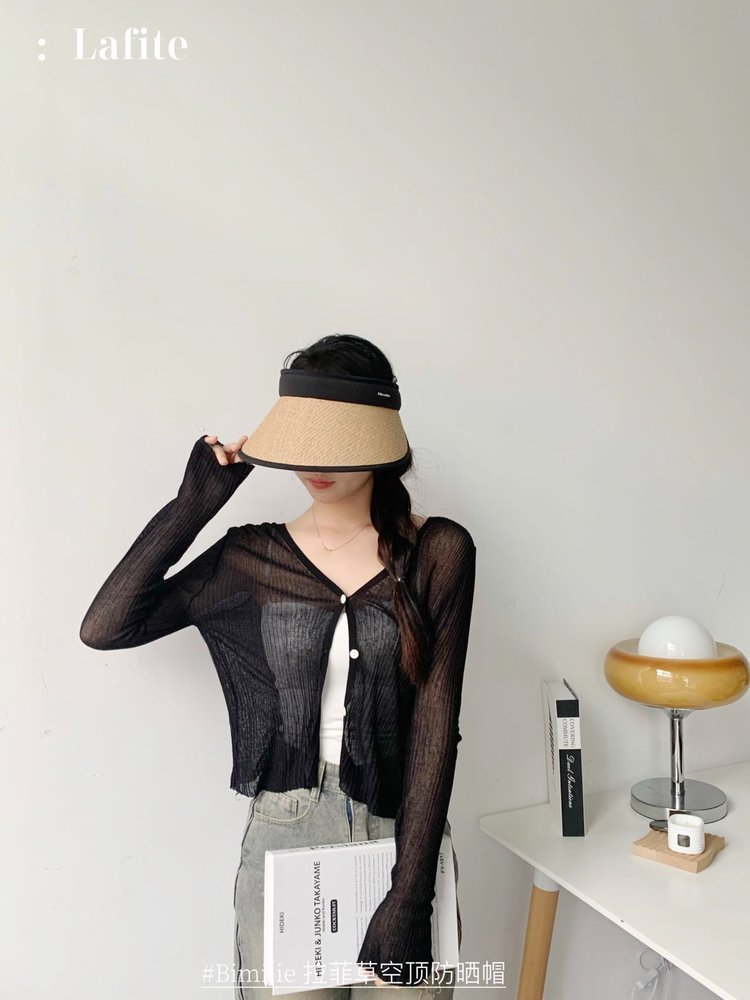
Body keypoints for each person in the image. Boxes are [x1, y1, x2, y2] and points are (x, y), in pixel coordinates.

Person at [79, 334, 477, 999]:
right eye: (304, 441)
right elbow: (106, 626)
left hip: (404, 837)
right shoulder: (251, 558)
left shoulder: (439, 550)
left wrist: (411, 899)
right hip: (287, 833)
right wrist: (191, 507)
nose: (315, 464)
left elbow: (437, 725)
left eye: (335, 443)